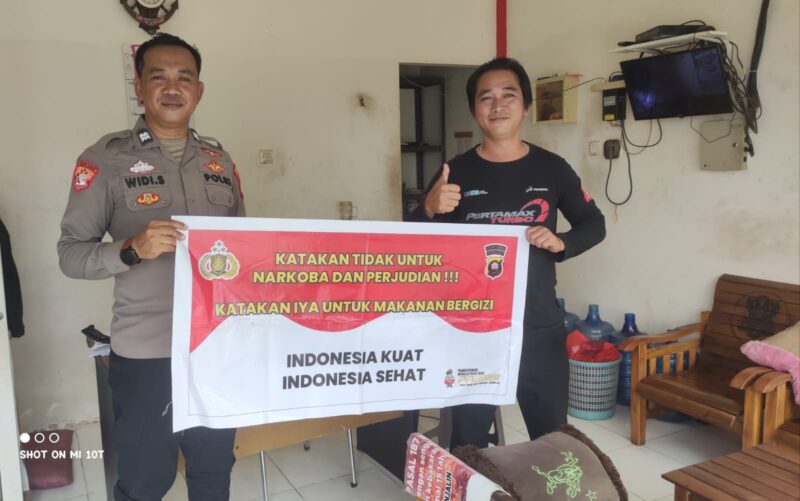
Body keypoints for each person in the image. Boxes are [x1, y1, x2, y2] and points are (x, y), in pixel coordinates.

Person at [57, 33, 245, 500]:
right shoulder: (105, 159)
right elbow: (70, 254)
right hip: (146, 352)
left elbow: (241, 251)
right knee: (144, 481)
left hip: (214, 347)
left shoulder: (220, 161)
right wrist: (130, 249)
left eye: (185, 78)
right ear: (139, 88)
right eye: (159, 77)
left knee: (213, 472)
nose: (173, 87)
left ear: (199, 90)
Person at [410, 58, 605, 449]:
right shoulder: (454, 172)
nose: (497, 105)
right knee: (467, 442)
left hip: (538, 327)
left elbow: (594, 224)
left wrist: (563, 242)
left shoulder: (552, 169)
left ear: (526, 106)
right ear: (474, 109)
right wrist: (428, 208)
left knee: (553, 441)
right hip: (473, 331)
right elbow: (414, 244)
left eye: (508, 95)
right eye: (486, 97)